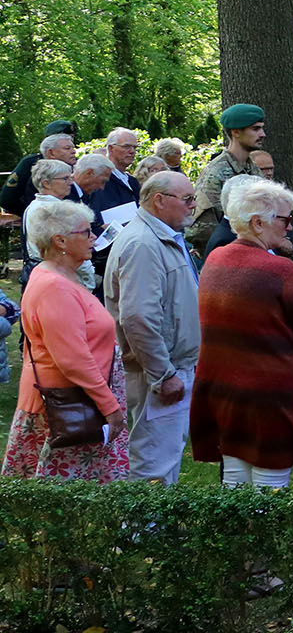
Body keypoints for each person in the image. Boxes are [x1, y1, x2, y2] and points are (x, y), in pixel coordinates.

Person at [190, 177, 293, 487]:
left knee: (236, 482)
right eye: (285, 219)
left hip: (224, 390)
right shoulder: (281, 270)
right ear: (257, 222)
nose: (290, 227)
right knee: (270, 486)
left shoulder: (216, 258)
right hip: (270, 396)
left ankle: (238, 536)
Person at [2, 199, 130, 481]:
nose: (94, 237)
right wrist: (110, 407)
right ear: (60, 240)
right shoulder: (54, 286)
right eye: (85, 232)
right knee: (64, 499)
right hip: (66, 408)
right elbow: (72, 359)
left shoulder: (62, 277)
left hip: (75, 402)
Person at [102, 171, 201, 484]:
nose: (193, 206)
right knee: (152, 461)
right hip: (156, 373)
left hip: (167, 367)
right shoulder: (144, 244)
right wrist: (163, 374)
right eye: (187, 199)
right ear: (159, 201)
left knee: (166, 453)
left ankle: (155, 530)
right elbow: (138, 318)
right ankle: (142, 532)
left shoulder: (159, 237)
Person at [189, 104, 265, 253]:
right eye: (255, 129)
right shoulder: (214, 174)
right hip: (229, 257)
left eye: (262, 128)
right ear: (236, 132)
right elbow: (201, 232)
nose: (262, 134)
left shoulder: (253, 169)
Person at [23, 159, 95, 288]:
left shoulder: (35, 206)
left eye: (71, 177)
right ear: (46, 183)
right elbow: (69, 248)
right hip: (64, 279)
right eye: (65, 179)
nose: (71, 183)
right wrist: (90, 279)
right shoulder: (51, 211)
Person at [0, 121, 79, 217]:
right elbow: (8, 198)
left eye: (71, 138)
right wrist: (30, 214)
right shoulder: (30, 163)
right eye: (61, 138)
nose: (69, 141)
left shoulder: (76, 164)